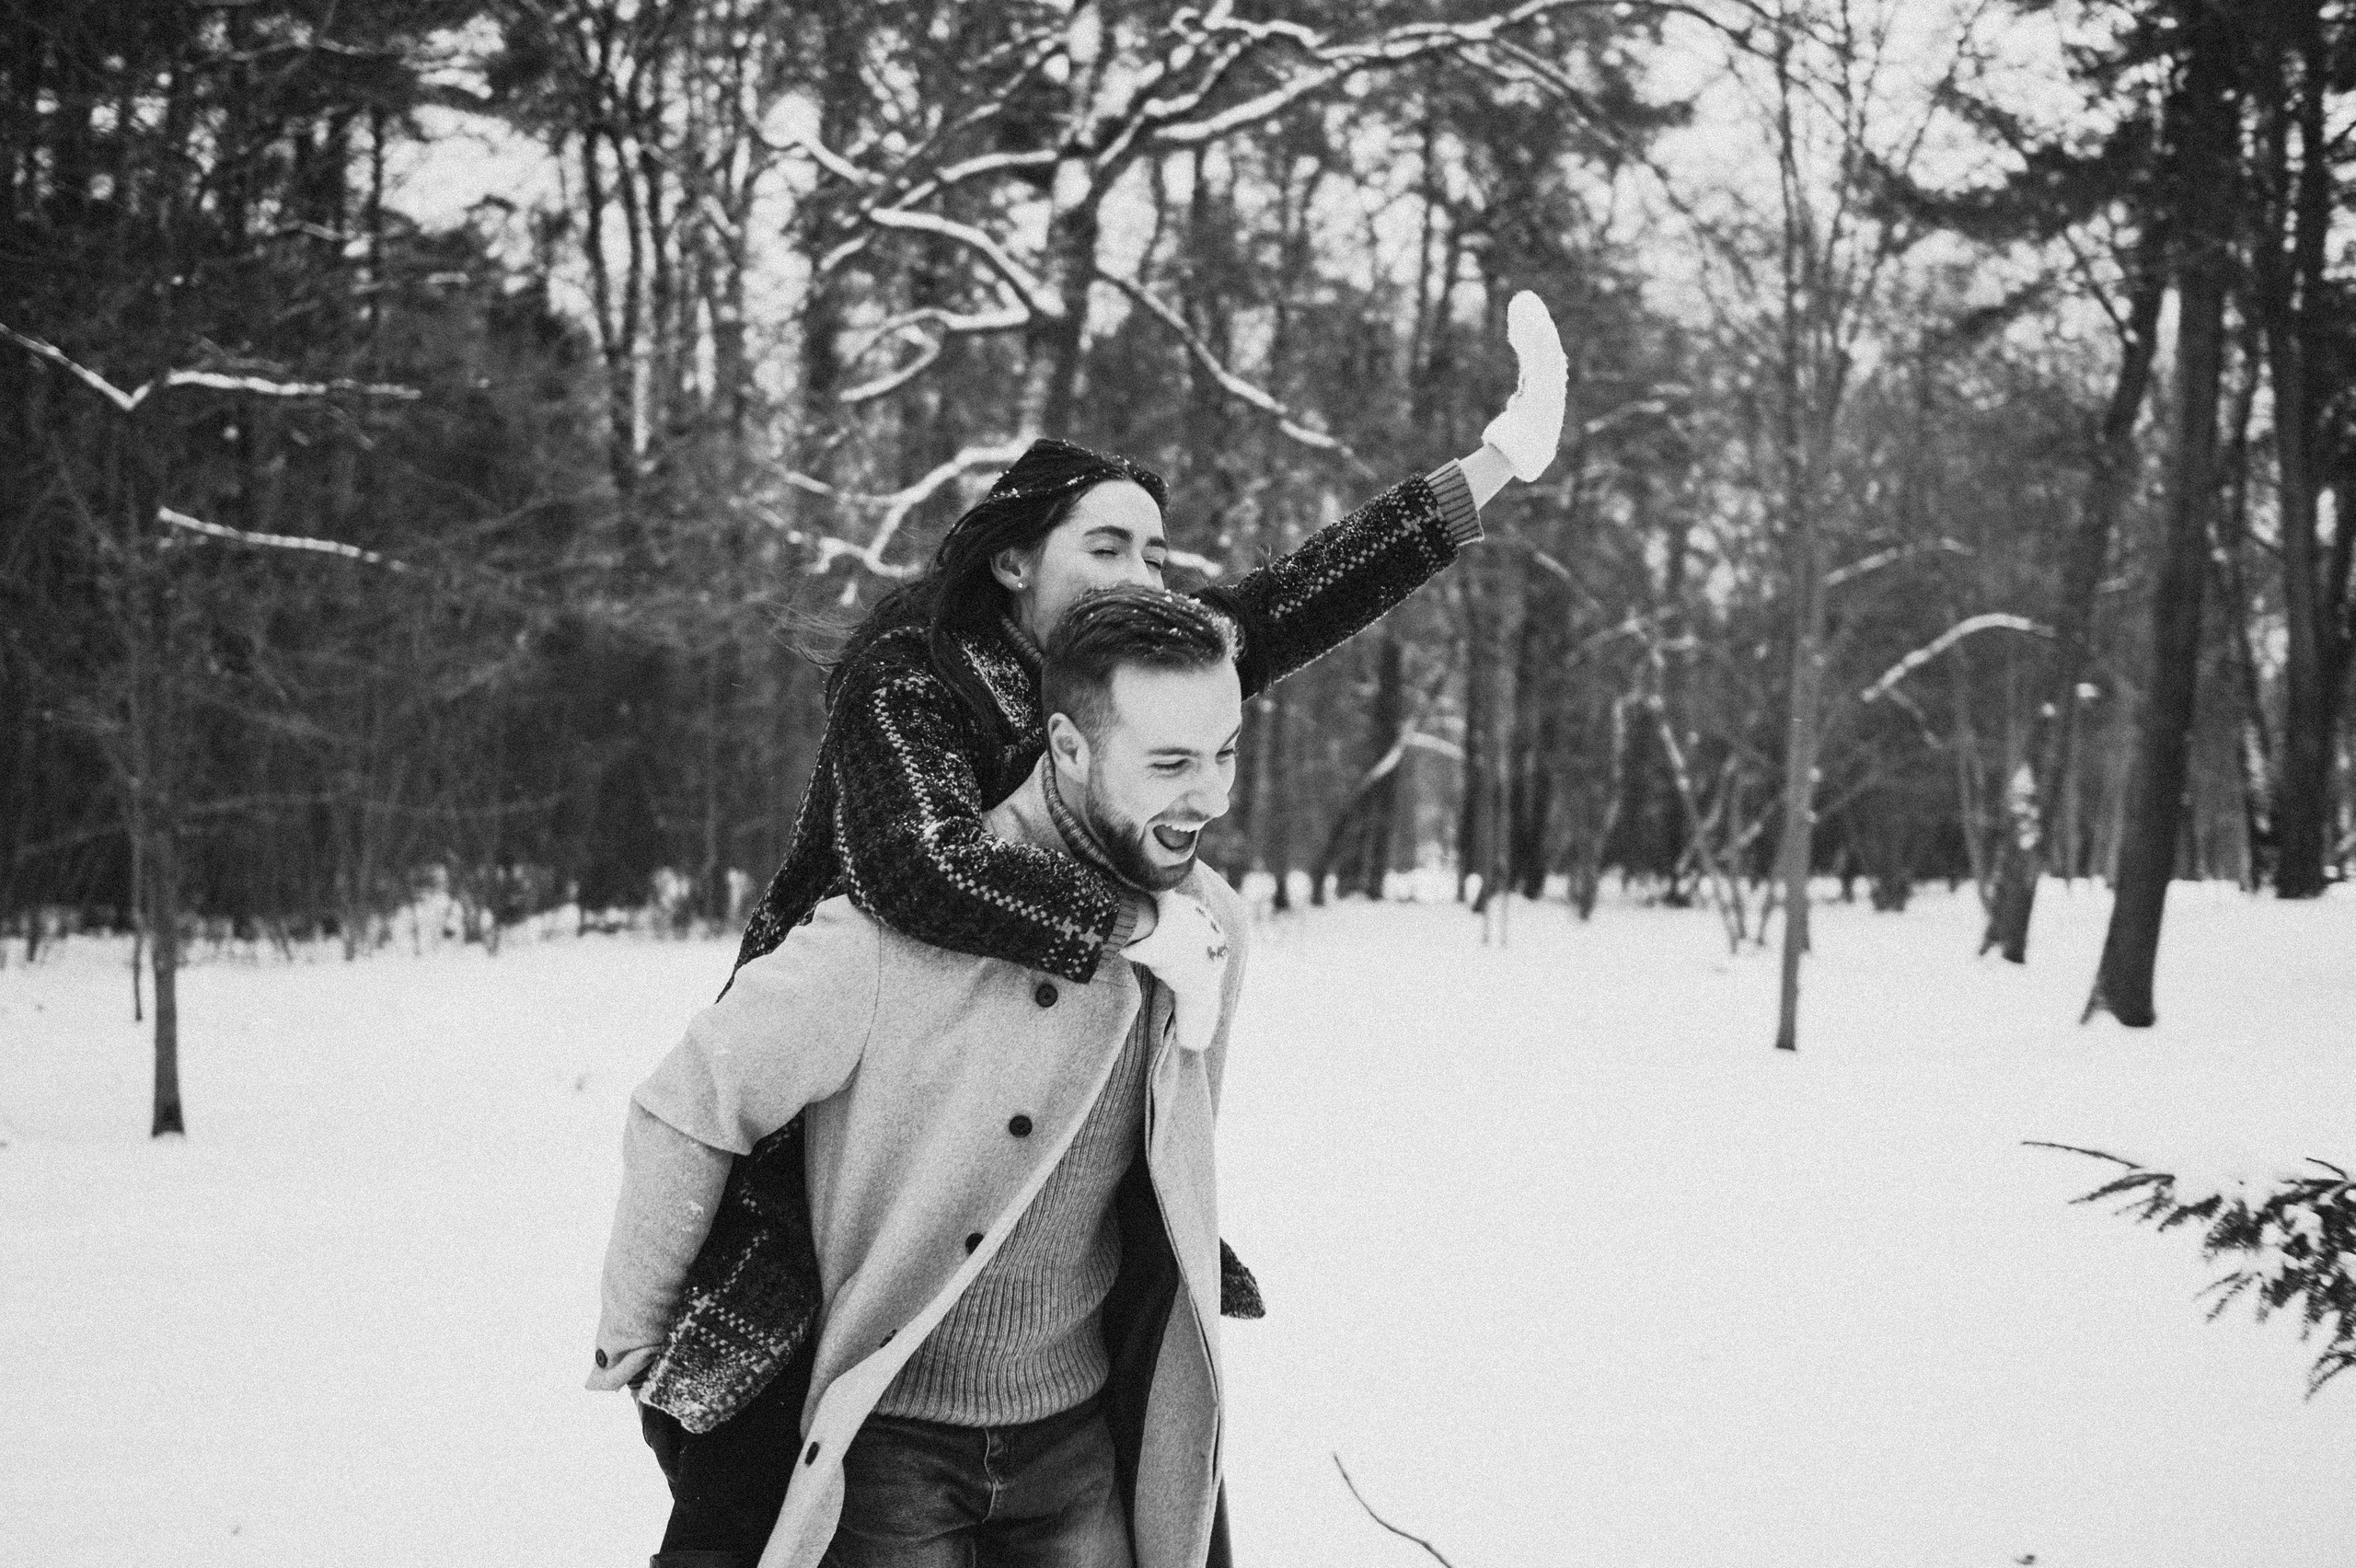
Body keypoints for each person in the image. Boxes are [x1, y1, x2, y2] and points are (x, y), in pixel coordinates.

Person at [607, 292, 1567, 1564]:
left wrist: (1491, 465)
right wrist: (1126, 925)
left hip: (1035, 1200)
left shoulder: (1136, 673)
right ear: (1015, 562)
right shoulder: (915, 673)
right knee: (755, 1482)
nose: (1140, 575)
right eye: (1106, 545)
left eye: (1155, 555)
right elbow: (917, 865)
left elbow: (1299, 598)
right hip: (836, 1128)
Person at [592, 588, 1257, 1568]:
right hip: (889, 1451)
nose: (1211, 797)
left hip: (1079, 1444)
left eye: (1225, 752)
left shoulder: (1210, 930)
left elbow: (1168, 1170)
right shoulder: (900, 923)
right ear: (1069, 748)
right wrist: (639, 1345)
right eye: (1170, 764)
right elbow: (689, 1103)